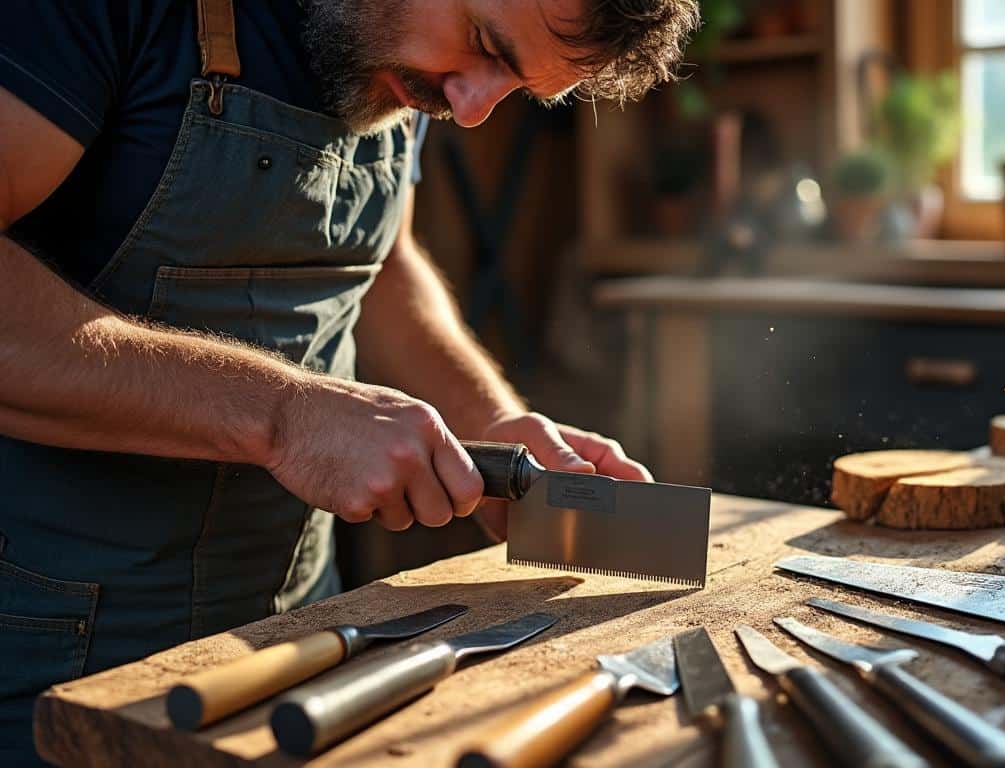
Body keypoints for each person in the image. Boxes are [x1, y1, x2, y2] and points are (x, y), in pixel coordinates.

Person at [0, 0, 699, 761]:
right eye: (482, 46)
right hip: (48, 640)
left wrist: (492, 421)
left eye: (514, 87)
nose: (470, 110)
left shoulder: (410, 66)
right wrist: (283, 416)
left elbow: (380, 263)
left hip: (296, 629)